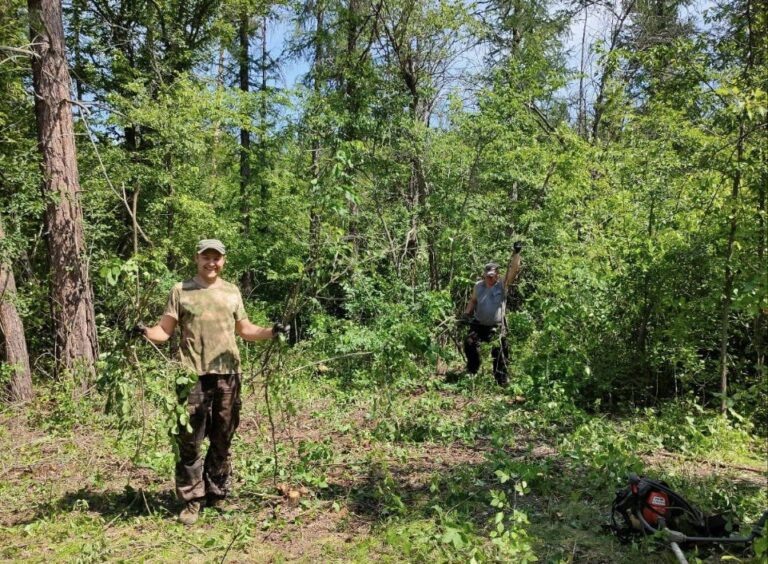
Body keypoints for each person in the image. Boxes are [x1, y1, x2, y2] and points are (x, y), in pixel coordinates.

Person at [134, 238, 288, 525]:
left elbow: (245, 329)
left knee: (222, 438)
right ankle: (192, 500)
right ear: (197, 258)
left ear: (223, 261)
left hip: (229, 375)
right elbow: (164, 331)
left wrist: (272, 331)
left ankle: (216, 496)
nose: (211, 262)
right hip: (190, 376)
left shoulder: (231, 292)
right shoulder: (181, 291)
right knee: (189, 441)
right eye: (207, 257)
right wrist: (143, 331)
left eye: (217, 258)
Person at [462, 242, 523, 386]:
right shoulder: (478, 286)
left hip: (496, 327)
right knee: (469, 343)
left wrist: (516, 253)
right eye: (487, 275)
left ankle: (501, 379)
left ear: (497, 275)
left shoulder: (502, 285)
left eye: (492, 276)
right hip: (479, 325)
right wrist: (466, 313)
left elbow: (514, 270)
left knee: (500, 352)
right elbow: (473, 301)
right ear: (484, 274)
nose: (490, 278)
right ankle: (472, 371)